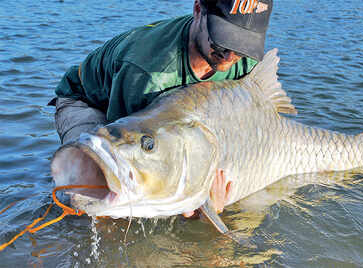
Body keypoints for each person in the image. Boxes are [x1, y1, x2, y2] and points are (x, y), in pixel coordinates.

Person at [50, 0, 273, 217]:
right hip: (88, 102)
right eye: (223, 39)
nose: (230, 56)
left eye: (241, 45)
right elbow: (125, 134)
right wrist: (190, 197)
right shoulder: (147, 73)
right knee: (99, 198)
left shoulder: (244, 60)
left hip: (168, 115)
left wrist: (202, 191)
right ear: (198, 9)